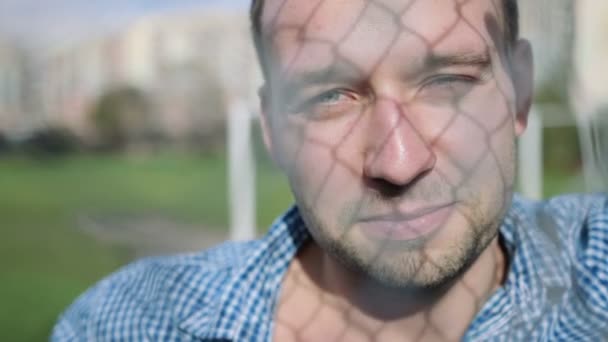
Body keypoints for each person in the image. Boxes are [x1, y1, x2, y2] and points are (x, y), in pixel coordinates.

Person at [52, 0, 608, 341]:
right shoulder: (134, 324)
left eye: (447, 82)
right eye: (330, 95)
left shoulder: (593, 266)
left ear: (520, 94)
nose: (399, 162)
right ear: (272, 128)